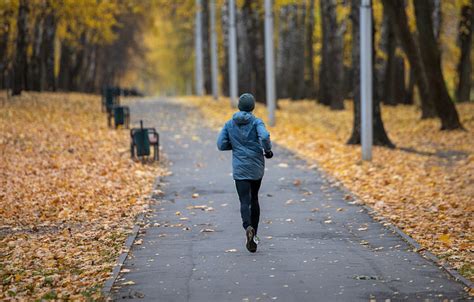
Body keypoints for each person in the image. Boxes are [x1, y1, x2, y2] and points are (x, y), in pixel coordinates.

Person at [217, 93, 273, 253]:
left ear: (239, 106)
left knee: (244, 200)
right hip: (255, 166)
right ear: (252, 106)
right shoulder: (257, 122)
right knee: (254, 198)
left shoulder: (229, 124)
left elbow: (221, 144)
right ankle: (254, 235)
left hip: (240, 168)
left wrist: (235, 146)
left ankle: (247, 226)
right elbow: (264, 136)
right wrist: (267, 150)